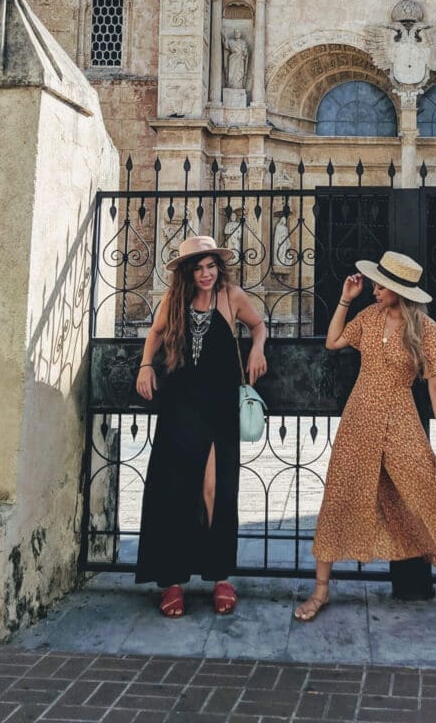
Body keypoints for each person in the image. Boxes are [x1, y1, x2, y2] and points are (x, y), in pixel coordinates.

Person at [294, 251, 436, 627]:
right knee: (339, 494)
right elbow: (333, 341)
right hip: (358, 418)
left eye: (380, 284)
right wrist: (345, 299)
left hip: (402, 420)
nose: (374, 289)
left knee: (429, 498)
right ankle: (320, 589)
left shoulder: (425, 329)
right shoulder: (368, 316)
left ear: (399, 290)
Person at [134, 235, 267, 617]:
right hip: (179, 401)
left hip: (219, 403)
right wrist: (146, 365)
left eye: (211, 266)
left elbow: (259, 326)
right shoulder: (174, 301)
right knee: (174, 488)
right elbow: (156, 333)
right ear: (187, 273)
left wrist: (257, 349)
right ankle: (172, 580)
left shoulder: (231, 295)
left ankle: (219, 575)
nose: (206, 274)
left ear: (218, 268)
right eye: (199, 268)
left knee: (215, 488)